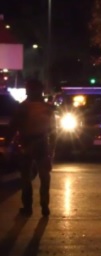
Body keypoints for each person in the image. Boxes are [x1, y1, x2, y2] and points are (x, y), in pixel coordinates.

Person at [8, 78, 56, 217]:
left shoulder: (23, 107)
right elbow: (54, 131)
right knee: (44, 177)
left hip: (27, 144)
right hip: (40, 144)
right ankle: (44, 205)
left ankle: (28, 206)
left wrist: (8, 143)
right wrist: (52, 149)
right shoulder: (47, 108)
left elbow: (13, 126)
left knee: (26, 177)